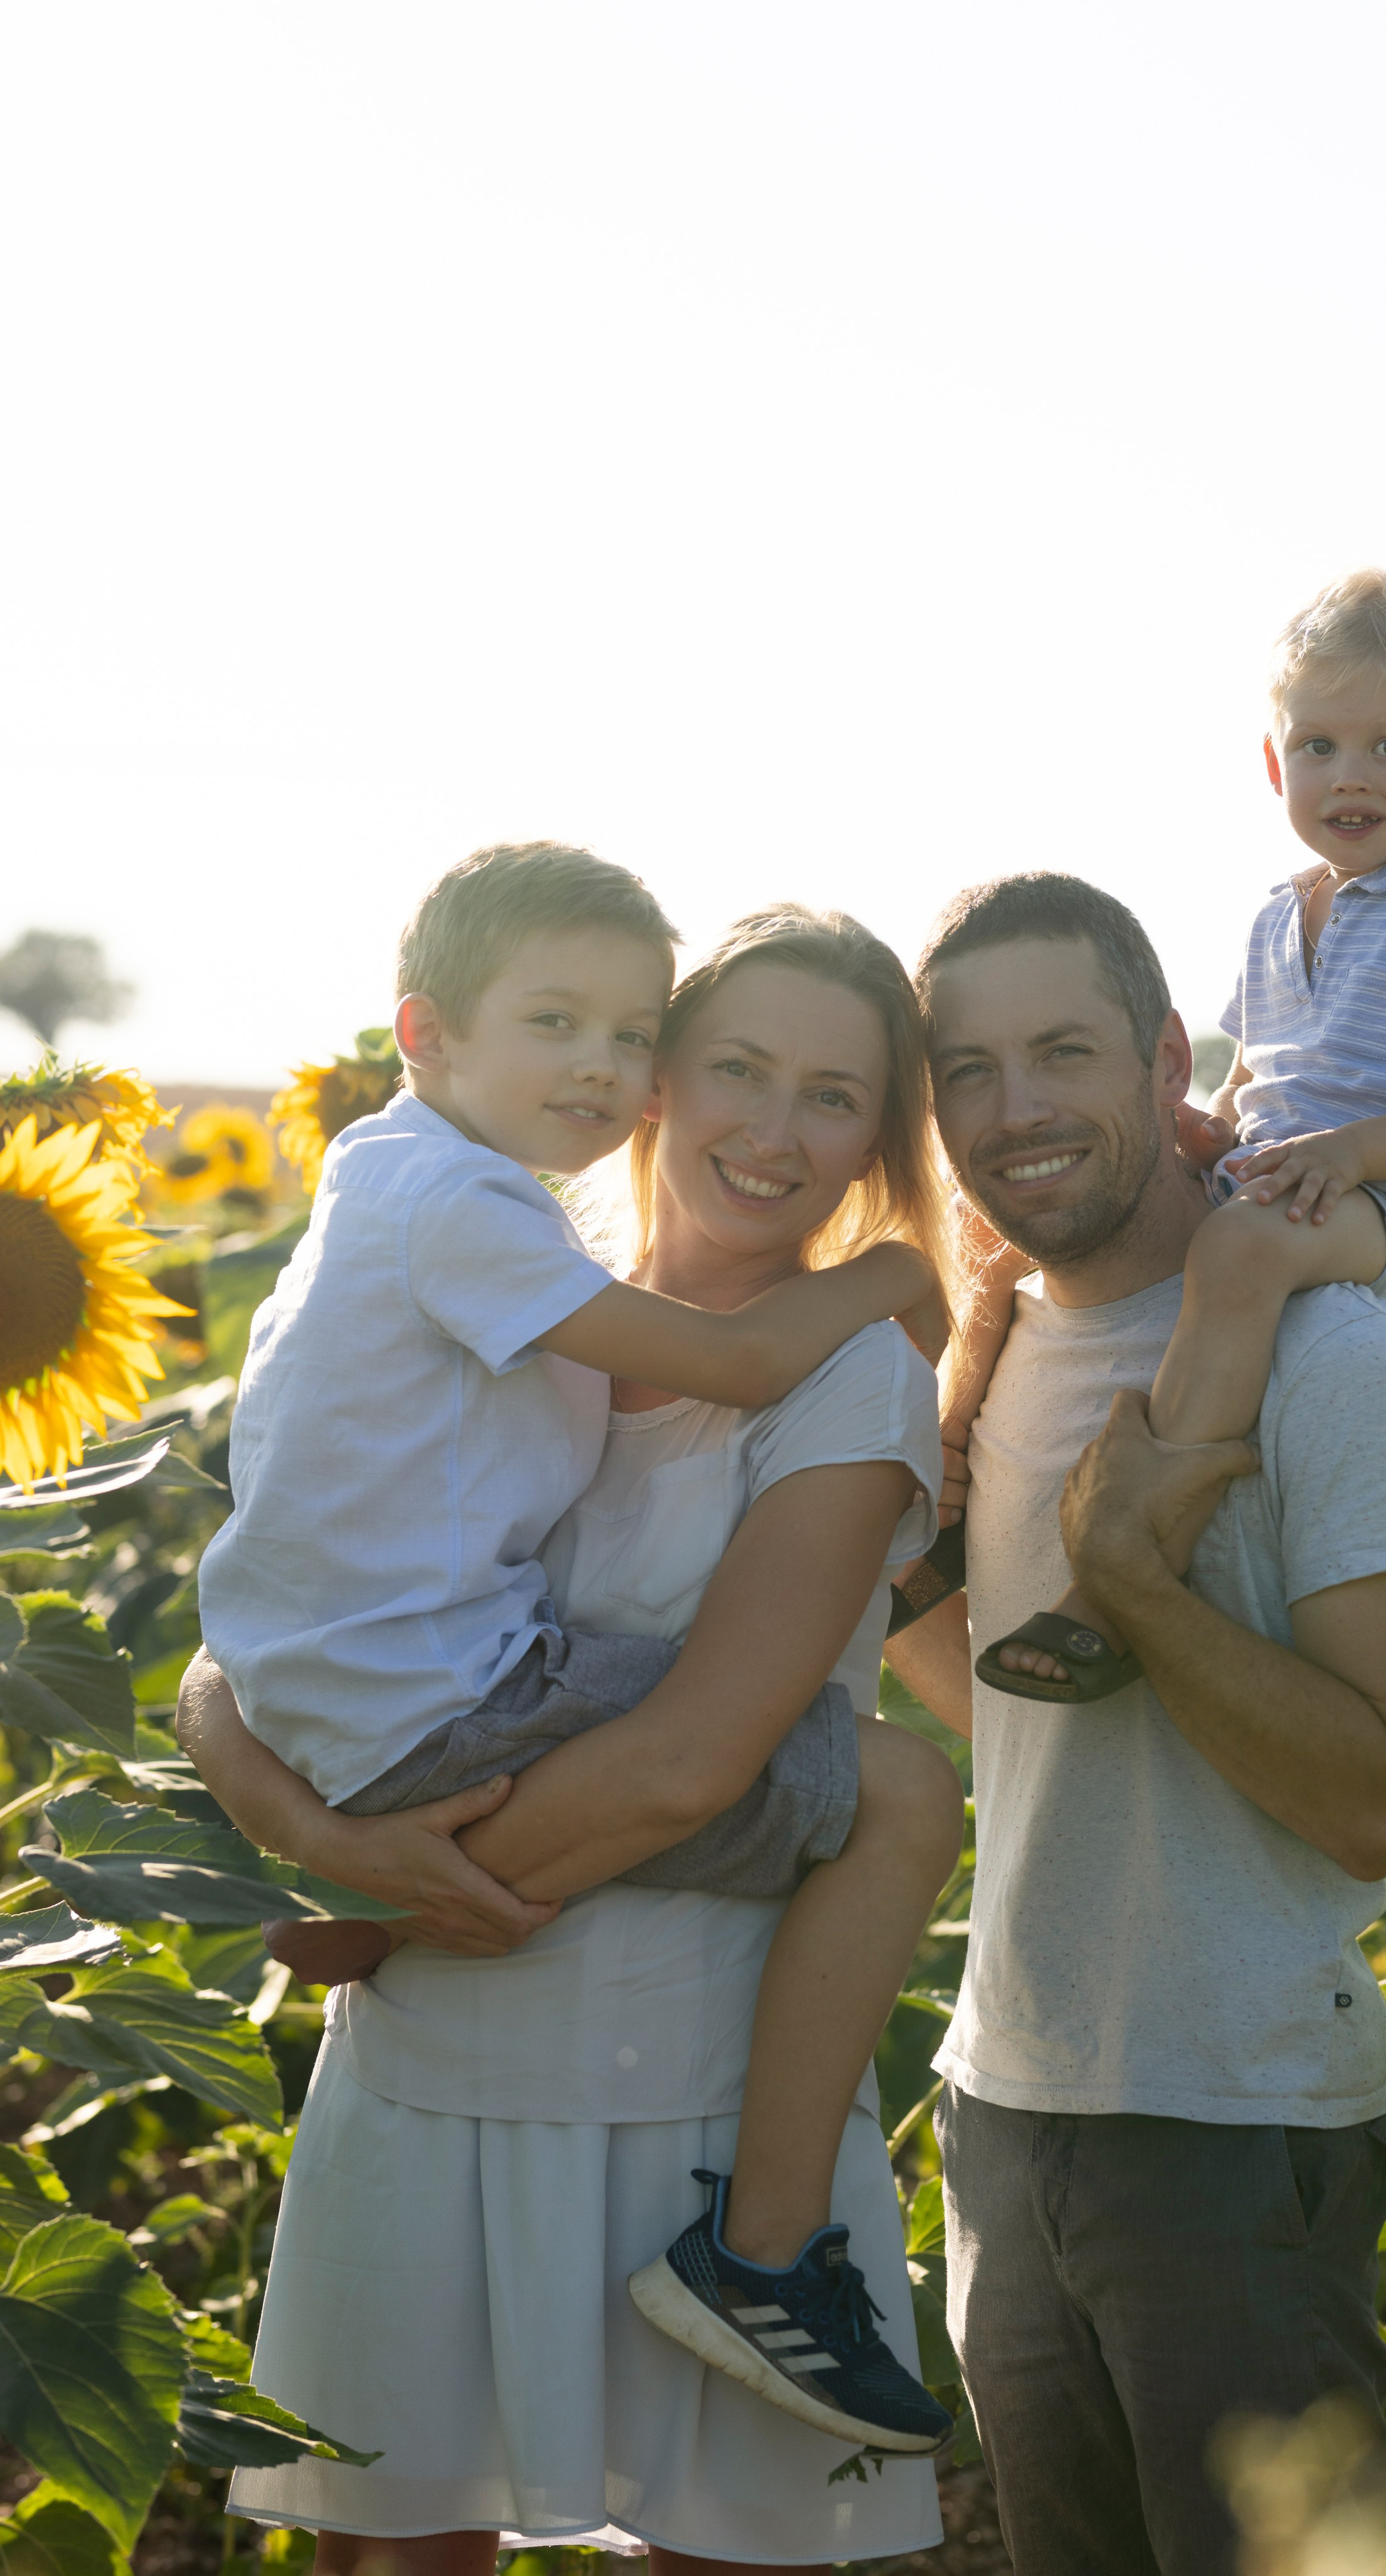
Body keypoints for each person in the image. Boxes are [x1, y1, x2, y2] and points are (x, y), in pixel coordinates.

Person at [181, 904, 967, 2571]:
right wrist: (323, 1837)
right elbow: (241, 1642)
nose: (771, 1127)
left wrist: (387, 1911)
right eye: (735, 1067)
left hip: (682, 2093)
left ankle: (759, 2266)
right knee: (390, 2543)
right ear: (654, 1081)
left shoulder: (846, 1374)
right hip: (426, 2077)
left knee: (722, 2548)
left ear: (874, 1143)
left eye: (833, 1096)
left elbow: (693, 1763)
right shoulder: (513, 1307)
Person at [884, 869, 1386, 2576]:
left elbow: (1375, 1800)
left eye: (1061, 1051)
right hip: (1003, 2106)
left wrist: (1134, 1586)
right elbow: (1011, 1726)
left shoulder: (1327, 1355)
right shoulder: (995, 1365)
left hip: (1236, 2124)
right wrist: (925, 1580)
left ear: (1164, 1061)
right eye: (969, 1070)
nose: (1015, 1109)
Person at [964, 571, 1386, 1698]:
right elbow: (1250, 1090)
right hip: (1284, 1178)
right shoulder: (1274, 915)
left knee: (1233, 1253)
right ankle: (954, 1488)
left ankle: (1131, 1555)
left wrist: (1355, 1155)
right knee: (1026, 1245)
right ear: (1277, 765)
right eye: (1322, 745)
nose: (1352, 776)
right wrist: (1186, 1127)